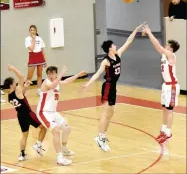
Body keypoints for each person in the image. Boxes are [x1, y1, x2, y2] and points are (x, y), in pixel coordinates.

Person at [81, 23, 145, 152]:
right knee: (106, 113)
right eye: (114, 45)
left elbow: (128, 41)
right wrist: (87, 84)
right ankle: (100, 137)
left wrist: (135, 30)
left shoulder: (118, 54)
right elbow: (98, 74)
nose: (116, 46)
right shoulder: (106, 61)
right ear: (110, 48)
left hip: (114, 87)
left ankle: (103, 135)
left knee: (111, 113)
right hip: (108, 87)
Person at [36, 65, 87, 165]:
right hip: (43, 112)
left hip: (53, 112)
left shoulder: (56, 81)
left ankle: (64, 148)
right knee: (56, 131)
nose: (51, 75)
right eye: (49, 74)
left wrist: (77, 75)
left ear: (55, 74)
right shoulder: (46, 82)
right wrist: (61, 74)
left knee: (67, 129)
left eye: (53, 73)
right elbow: (53, 86)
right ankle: (59, 158)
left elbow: (66, 81)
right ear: (47, 75)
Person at [142, 24, 180, 144]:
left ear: (171, 48)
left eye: (168, 44)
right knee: (164, 108)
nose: (166, 45)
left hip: (172, 85)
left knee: (169, 110)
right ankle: (163, 130)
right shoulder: (164, 55)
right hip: (166, 85)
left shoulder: (171, 55)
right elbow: (157, 47)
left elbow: (158, 46)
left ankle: (168, 133)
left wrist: (149, 32)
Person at [3, 64, 47, 161]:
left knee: (24, 135)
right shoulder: (17, 90)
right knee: (44, 128)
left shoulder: (10, 96)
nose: (16, 84)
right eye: (14, 83)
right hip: (28, 114)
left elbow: (21, 95)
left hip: (20, 116)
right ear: (11, 85)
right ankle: (38, 145)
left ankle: (22, 155)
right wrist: (13, 68)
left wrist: (26, 87)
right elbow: (21, 77)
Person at [25, 25, 46, 96]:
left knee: (39, 75)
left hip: (40, 56)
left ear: (36, 31)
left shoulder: (39, 38)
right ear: (29, 31)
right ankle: (25, 90)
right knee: (29, 76)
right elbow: (31, 49)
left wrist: (45, 61)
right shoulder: (27, 39)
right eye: (31, 30)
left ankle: (39, 90)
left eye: (34, 30)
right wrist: (33, 39)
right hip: (32, 56)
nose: (32, 31)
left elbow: (43, 50)